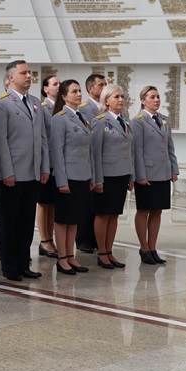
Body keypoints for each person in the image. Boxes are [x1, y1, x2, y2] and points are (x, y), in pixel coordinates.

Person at [0, 60, 49, 281]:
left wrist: (44, 167)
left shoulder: (35, 102)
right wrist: (6, 172)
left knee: (26, 221)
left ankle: (23, 262)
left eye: (29, 72)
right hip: (13, 173)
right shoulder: (2, 103)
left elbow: (42, 138)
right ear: (11, 78)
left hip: (32, 171)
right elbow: (0, 141)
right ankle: (9, 265)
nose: (28, 76)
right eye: (23, 73)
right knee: (9, 221)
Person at [50, 80, 95, 275]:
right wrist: (61, 180)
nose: (78, 94)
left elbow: (89, 149)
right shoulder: (59, 118)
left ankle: (70, 255)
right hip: (68, 176)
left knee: (75, 218)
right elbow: (57, 151)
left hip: (82, 175)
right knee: (63, 219)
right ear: (64, 96)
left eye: (79, 91)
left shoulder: (82, 117)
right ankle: (62, 258)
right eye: (74, 91)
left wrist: (92, 176)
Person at [133, 85, 178, 265]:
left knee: (157, 211)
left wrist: (174, 169)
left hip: (163, 172)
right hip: (147, 173)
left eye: (158, 96)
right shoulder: (138, 121)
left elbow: (170, 147)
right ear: (143, 100)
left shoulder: (164, 120)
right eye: (152, 97)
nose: (156, 100)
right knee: (144, 210)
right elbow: (137, 151)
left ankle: (152, 247)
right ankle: (144, 248)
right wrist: (140, 175)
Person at [92, 84, 133, 269]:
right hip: (106, 176)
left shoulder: (126, 121)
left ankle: (109, 250)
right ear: (106, 101)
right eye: (116, 96)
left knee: (115, 214)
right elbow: (95, 153)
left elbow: (130, 150)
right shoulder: (100, 121)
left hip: (121, 174)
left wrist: (131, 176)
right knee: (103, 214)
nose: (121, 100)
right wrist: (97, 179)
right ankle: (101, 252)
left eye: (122, 96)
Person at [76, 73, 106, 253]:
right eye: (100, 85)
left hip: (105, 160)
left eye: (105, 84)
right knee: (87, 203)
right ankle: (83, 239)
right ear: (90, 88)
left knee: (100, 205)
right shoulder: (84, 109)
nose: (104, 88)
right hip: (89, 158)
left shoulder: (107, 107)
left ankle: (97, 238)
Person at [37, 75, 60, 259]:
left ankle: (50, 239)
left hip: (58, 163)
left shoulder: (62, 109)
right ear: (46, 89)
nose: (58, 86)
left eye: (60, 83)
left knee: (53, 203)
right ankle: (44, 240)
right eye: (55, 84)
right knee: (44, 203)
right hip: (47, 162)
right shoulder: (42, 108)